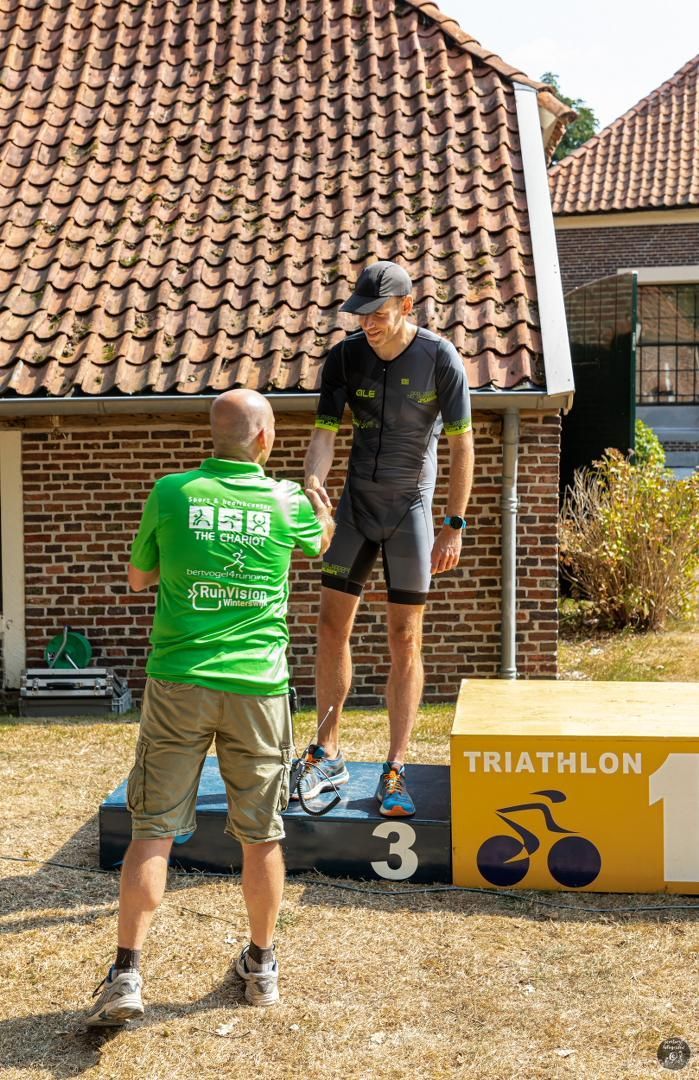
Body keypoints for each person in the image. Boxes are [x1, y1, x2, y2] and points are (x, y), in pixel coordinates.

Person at [86, 389, 334, 1026]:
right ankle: (262, 965)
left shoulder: (171, 493)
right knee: (262, 833)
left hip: (177, 683)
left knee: (153, 829)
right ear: (263, 440)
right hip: (258, 688)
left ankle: (126, 975)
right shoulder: (284, 500)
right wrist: (322, 513)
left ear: (215, 436)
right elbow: (321, 545)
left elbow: (140, 579)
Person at [299, 260, 473, 817]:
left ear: (406, 306)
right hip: (355, 507)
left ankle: (396, 765)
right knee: (330, 625)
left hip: (412, 511)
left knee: (405, 638)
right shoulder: (345, 357)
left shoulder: (440, 358)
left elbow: (463, 447)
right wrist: (312, 480)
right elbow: (323, 435)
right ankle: (327, 750)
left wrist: (455, 523)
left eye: (377, 313)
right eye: (360, 314)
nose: (367, 323)